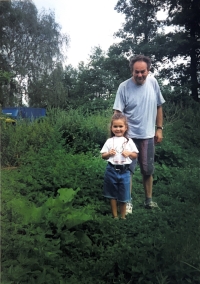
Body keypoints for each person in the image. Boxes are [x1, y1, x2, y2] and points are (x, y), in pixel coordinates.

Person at [113, 54, 165, 209]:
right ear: (132, 71)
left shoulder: (153, 83)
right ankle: (127, 202)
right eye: (137, 72)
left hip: (148, 136)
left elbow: (159, 106)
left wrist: (159, 129)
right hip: (128, 137)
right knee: (126, 170)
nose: (140, 75)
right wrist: (117, 136)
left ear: (148, 70)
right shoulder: (123, 87)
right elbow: (117, 112)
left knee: (148, 170)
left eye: (143, 71)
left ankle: (148, 200)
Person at [100, 113, 138, 219]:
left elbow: (135, 155)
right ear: (111, 128)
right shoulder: (109, 141)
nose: (118, 129)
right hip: (111, 170)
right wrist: (108, 154)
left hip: (125, 171)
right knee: (112, 194)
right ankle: (115, 216)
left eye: (120, 126)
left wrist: (129, 153)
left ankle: (123, 216)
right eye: (115, 126)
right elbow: (103, 156)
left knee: (124, 194)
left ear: (125, 127)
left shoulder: (129, 141)